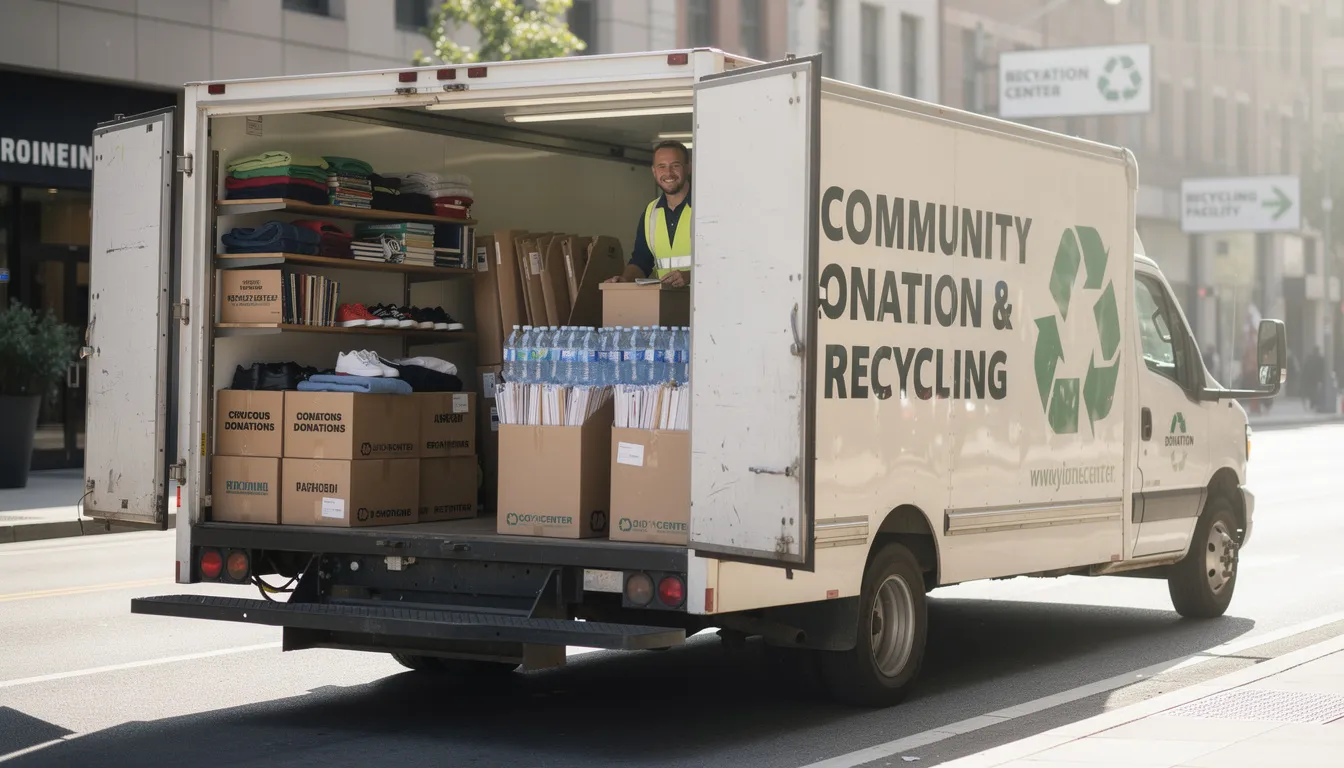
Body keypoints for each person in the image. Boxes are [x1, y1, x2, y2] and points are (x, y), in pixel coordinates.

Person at [605, 140, 693, 287]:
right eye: (662, 166)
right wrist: (625, 280)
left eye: (675, 165)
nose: (668, 173)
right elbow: (641, 261)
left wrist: (692, 276)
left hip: (703, 304)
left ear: (688, 167)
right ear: (654, 171)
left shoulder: (706, 209)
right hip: (667, 303)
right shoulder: (650, 213)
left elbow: (726, 259)